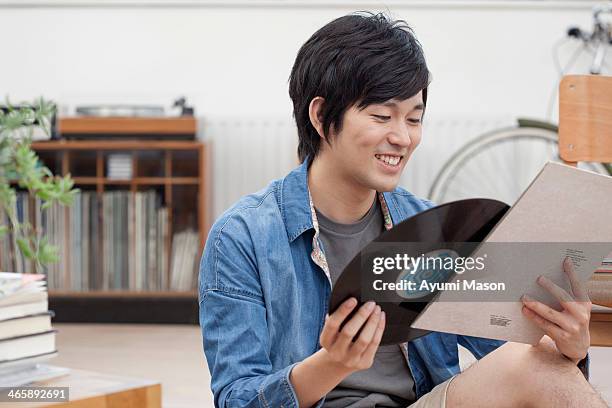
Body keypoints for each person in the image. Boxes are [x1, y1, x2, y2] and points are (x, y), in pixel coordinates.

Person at [199, 12, 606, 408]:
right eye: (381, 116)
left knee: (538, 364)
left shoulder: (436, 228)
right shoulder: (242, 236)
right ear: (321, 116)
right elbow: (238, 398)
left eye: (414, 118)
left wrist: (568, 345)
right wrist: (331, 364)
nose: (402, 137)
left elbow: (512, 355)